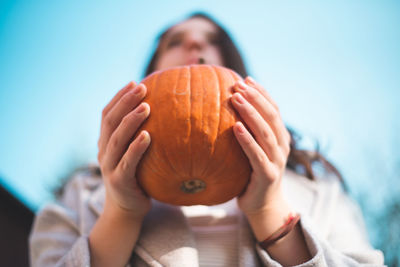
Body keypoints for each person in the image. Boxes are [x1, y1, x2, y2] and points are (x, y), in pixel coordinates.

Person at [29, 12, 384, 267]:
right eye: (175, 42)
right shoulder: (81, 193)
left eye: (213, 42)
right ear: (149, 79)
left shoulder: (321, 193)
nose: (195, 43)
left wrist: (270, 212)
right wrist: (120, 214)